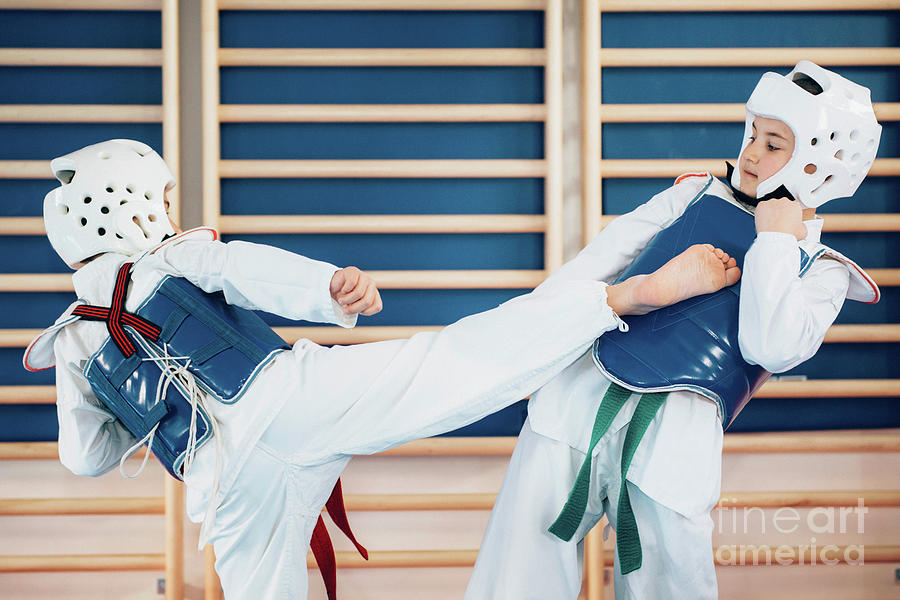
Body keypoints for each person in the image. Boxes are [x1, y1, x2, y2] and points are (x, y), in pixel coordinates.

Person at [23, 139, 741, 600]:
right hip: (289, 401)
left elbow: (86, 458)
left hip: (224, 490)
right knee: (452, 363)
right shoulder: (172, 256)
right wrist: (329, 288)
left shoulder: (72, 341)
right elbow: (243, 267)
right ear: (131, 205)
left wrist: (138, 412)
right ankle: (620, 298)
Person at [465, 60, 881, 600]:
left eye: (775, 143)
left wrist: (777, 239)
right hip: (578, 401)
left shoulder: (821, 269)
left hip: (675, 444)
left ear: (820, 164)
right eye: (753, 133)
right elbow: (580, 277)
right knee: (516, 575)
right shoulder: (689, 196)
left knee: (671, 587)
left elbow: (771, 347)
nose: (752, 152)